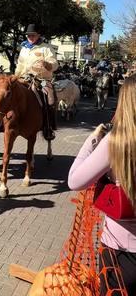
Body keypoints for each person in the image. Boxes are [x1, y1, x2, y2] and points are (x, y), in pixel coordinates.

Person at [68, 74, 136, 295]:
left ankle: (48, 125)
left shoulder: (116, 141)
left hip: (121, 252)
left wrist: (92, 140)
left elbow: (74, 181)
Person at [15, 23, 58, 140]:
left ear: (38, 35)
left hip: (42, 79)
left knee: (50, 99)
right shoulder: (24, 48)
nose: (30, 37)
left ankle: (48, 126)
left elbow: (55, 64)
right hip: (24, 78)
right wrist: (14, 77)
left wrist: (47, 64)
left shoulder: (46, 47)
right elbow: (20, 65)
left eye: (33, 35)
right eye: (28, 35)